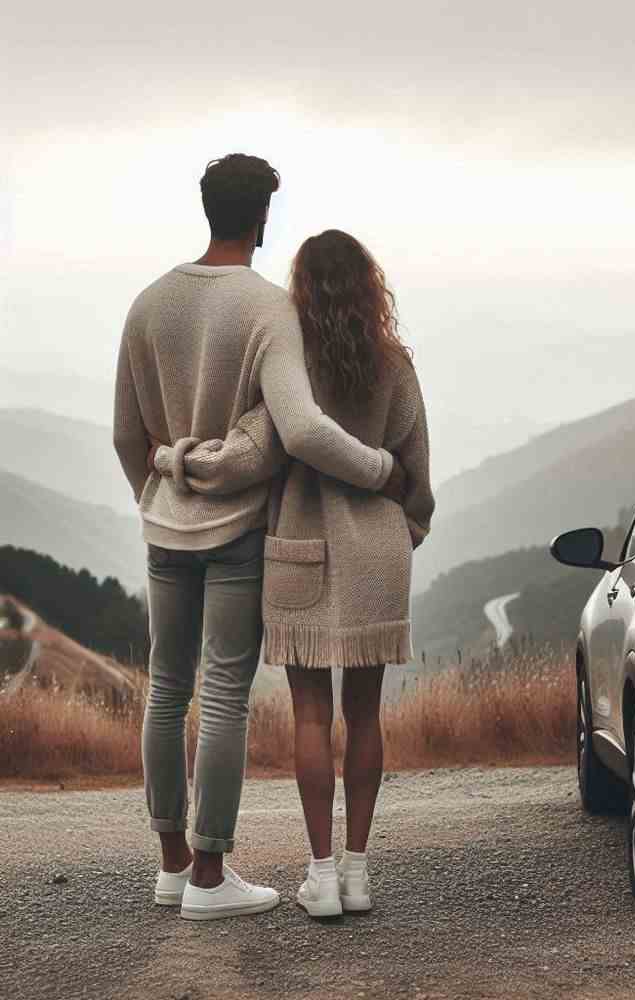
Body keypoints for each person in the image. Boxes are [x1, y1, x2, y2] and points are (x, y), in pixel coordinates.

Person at [113, 155, 407, 921]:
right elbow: (304, 427)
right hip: (241, 529)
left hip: (165, 522)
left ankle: (172, 866)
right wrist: (379, 470)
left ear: (206, 208)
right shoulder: (269, 309)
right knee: (220, 694)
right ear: (262, 219)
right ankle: (210, 876)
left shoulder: (147, 304)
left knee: (165, 687)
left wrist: (158, 501)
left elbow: (125, 433)